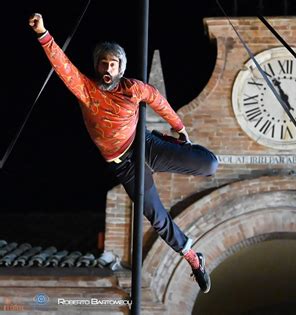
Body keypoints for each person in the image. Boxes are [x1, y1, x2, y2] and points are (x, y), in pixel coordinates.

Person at [28, 13, 217, 293]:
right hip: (124, 165)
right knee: (156, 217)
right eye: (103, 63)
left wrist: (180, 127)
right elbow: (62, 66)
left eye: (112, 64)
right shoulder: (87, 90)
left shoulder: (133, 88)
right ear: (97, 66)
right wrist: (43, 33)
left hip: (146, 145)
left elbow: (158, 100)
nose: (107, 67)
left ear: (119, 68)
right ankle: (193, 258)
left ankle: (175, 146)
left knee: (210, 165)